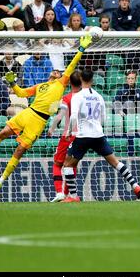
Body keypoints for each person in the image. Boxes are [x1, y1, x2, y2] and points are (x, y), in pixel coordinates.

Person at [0, 33, 93, 197]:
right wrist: (12, 82)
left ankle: (0, 182)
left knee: (19, 151)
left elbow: (73, 64)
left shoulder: (61, 83)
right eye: (54, 71)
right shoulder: (40, 86)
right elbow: (20, 93)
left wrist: (81, 48)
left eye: (57, 71)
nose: (56, 72)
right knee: (3, 132)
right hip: (28, 112)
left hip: (39, 121)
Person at [61, 69, 140, 202]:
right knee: (115, 162)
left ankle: (73, 196)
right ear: (93, 80)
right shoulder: (99, 96)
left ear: (81, 79)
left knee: (68, 164)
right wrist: (96, 127)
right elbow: (104, 118)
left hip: (83, 136)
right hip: (98, 135)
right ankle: (135, 185)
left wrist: (69, 131)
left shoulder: (77, 96)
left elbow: (74, 116)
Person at [47, 70, 82, 202]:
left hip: (68, 135)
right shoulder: (87, 97)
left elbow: (58, 116)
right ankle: (69, 195)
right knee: (72, 165)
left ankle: (60, 192)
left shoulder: (67, 98)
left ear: (69, 83)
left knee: (57, 164)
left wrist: (51, 129)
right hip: (83, 136)